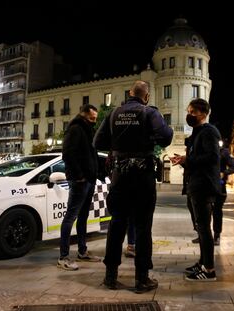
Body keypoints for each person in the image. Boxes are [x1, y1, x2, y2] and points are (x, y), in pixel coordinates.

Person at [94, 80, 173, 293]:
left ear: (130, 94)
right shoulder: (149, 112)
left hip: (119, 176)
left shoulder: (113, 114)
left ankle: (110, 276)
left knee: (116, 225)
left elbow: (98, 142)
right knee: (142, 227)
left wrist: (118, 145)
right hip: (142, 176)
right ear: (146, 96)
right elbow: (166, 137)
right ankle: (141, 279)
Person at [170, 98, 221, 281]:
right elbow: (198, 158)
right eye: (189, 111)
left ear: (203, 113)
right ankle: (202, 262)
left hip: (203, 186)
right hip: (194, 185)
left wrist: (187, 160)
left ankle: (209, 270)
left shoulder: (209, 132)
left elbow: (212, 158)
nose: (189, 115)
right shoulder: (197, 133)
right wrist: (183, 160)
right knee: (200, 228)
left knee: (204, 228)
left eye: (193, 112)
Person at [57, 104, 101, 271]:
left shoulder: (86, 130)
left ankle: (82, 251)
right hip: (80, 180)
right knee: (71, 217)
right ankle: (63, 257)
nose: (94, 122)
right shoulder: (75, 129)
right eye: (91, 119)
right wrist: (80, 175)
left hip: (88, 179)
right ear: (83, 116)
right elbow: (68, 154)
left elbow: (90, 154)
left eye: (95, 119)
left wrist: (95, 173)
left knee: (83, 216)